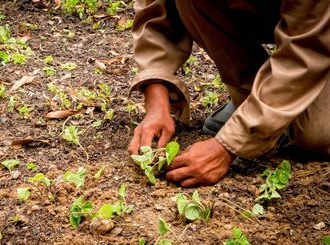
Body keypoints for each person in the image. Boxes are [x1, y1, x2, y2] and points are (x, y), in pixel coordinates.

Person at [127, 0, 330, 187]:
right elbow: (154, 7)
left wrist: (228, 146)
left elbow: (304, 50)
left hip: (318, 25)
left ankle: (262, 112)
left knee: (316, 135)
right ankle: (254, 101)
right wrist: (156, 99)